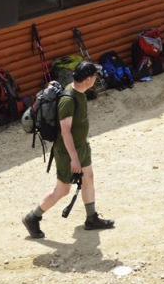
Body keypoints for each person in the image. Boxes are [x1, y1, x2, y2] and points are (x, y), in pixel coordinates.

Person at [22, 60, 114, 238]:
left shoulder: (80, 92)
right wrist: (74, 158)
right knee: (62, 190)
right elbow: (65, 131)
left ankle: (91, 218)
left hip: (81, 146)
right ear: (87, 79)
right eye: (94, 76)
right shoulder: (68, 100)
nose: (96, 78)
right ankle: (32, 217)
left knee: (89, 177)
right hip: (67, 152)